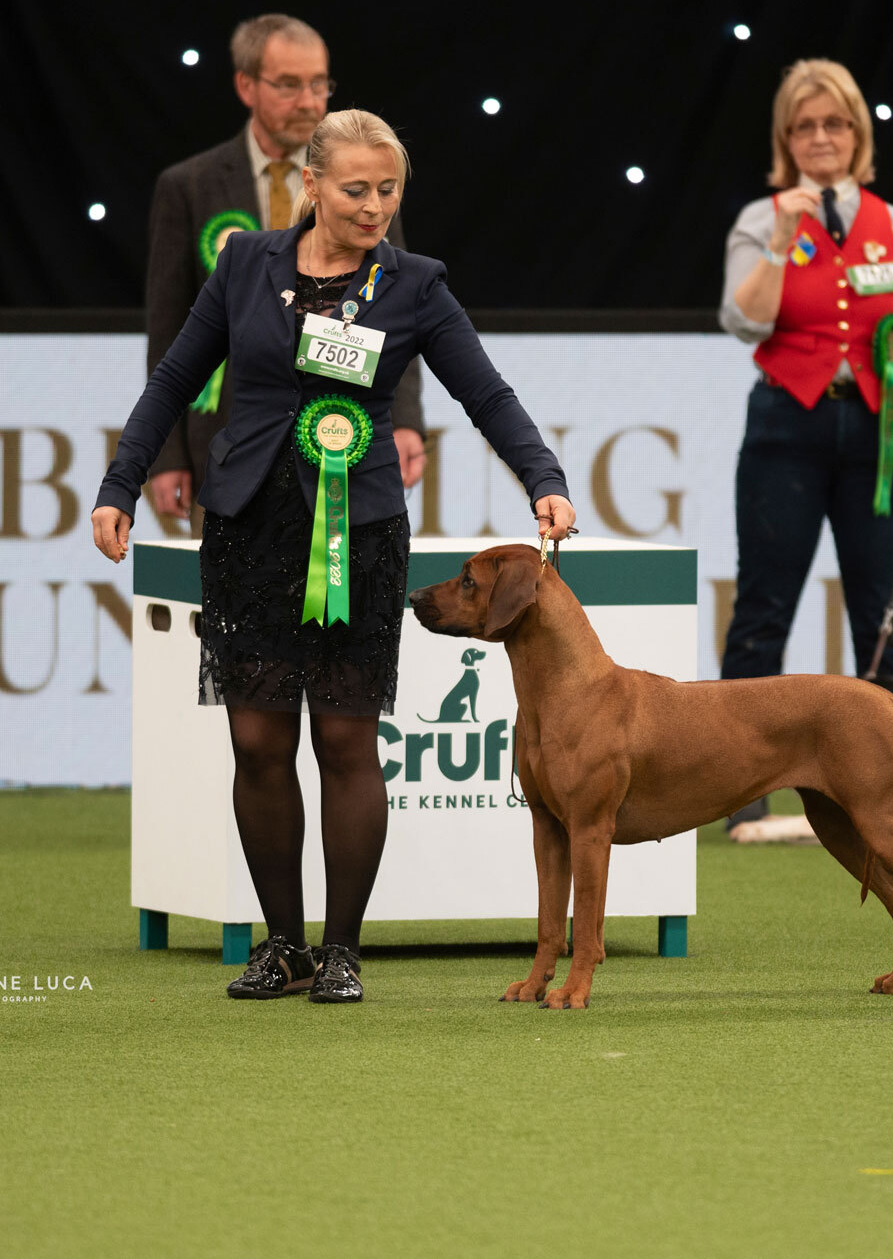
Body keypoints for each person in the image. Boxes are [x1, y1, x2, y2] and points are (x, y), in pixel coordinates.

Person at [95, 110, 574, 1004]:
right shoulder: (243, 265)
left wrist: (542, 476)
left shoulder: (416, 284)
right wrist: (122, 483)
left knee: (348, 740)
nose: (374, 207)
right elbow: (173, 377)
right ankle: (283, 946)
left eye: (388, 190)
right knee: (258, 740)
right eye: (355, 189)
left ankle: (344, 950)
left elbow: (485, 392)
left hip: (361, 537)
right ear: (310, 184)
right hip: (245, 527)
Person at [717, 59, 893, 828]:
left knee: (887, 613)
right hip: (786, 426)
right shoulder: (761, 219)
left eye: (835, 123)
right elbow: (742, 319)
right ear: (787, 138)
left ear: (857, 133)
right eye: (806, 125)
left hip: (879, 435)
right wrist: (784, 238)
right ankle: (741, 796)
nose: (822, 137)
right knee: (763, 609)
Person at [144, 13, 426, 533]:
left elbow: (398, 306)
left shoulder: (366, 183)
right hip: (226, 450)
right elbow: (168, 331)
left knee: (338, 600)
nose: (309, 101)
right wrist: (164, 456)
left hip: (344, 434)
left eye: (320, 84)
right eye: (290, 84)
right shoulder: (189, 186)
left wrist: (405, 420)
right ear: (246, 85)